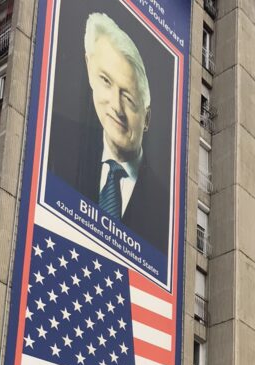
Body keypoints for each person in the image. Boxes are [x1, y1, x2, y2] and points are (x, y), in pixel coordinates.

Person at [47, 12, 170, 256]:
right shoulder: (55, 147)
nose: (116, 106)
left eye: (128, 97)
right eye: (105, 80)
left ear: (147, 118)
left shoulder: (165, 206)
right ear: (89, 70)